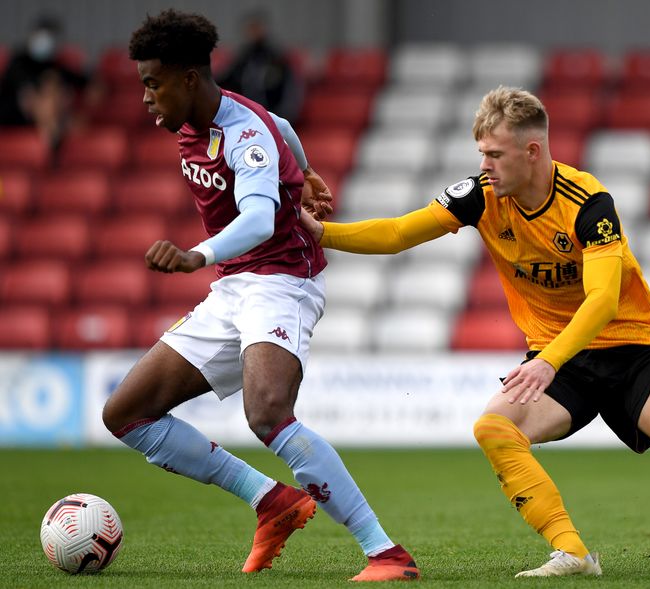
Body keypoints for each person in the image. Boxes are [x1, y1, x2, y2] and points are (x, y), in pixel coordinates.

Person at [300, 86, 650, 577]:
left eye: (494, 154)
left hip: (634, 349)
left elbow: (602, 301)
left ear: (532, 151)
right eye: (481, 153)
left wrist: (547, 361)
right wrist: (324, 233)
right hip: (560, 361)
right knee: (494, 428)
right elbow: (398, 233)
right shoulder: (480, 197)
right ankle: (574, 553)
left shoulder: (589, 203)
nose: (485, 165)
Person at [100, 10, 416, 582]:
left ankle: (385, 552)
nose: (146, 97)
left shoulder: (240, 134)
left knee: (267, 412)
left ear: (189, 78)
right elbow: (281, 122)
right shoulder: (209, 117)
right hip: (235, 286)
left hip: (282, 278)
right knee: (127, 414)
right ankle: (271, 500)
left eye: (153, 82)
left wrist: (198, 255)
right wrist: (311, 170)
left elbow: (259, 216)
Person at [0, 15, 89, 150]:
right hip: (13, 118)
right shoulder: (18, 62)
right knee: (47, 97)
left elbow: (82, 80)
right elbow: (25, 91)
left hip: (49, 122)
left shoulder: (54, 65)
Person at [218, 10, 303, 125]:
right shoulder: (243, 58)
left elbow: (290, 90)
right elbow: (226, 80)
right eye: (250, 29)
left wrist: (284, 117)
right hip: (247, 117)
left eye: (256, 28)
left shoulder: (277, 58)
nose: (254, 33)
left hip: (274, 117)